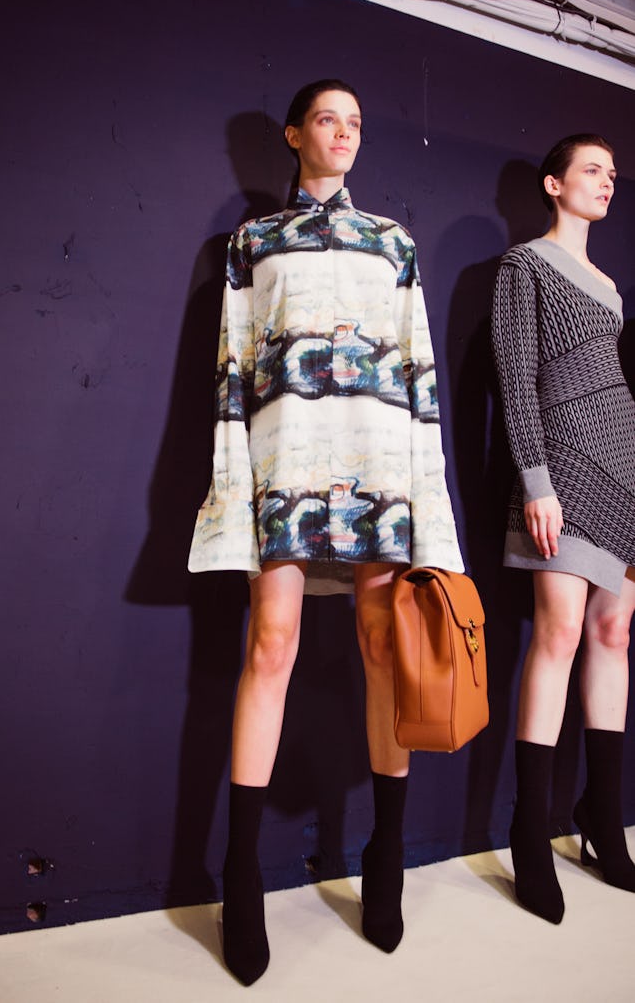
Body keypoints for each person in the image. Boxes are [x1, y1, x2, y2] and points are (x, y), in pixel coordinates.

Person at [188, 79, 463, 983]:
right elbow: (231, 375)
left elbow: (423, 379)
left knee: (383, 651)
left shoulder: (395, 244)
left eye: (355, 122)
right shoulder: (251, 244)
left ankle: (383, 850)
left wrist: (431, 505)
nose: (343, 133)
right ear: (294, 134)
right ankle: (238, 874)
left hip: (380, 467)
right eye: (328, 119)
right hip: (289, 461)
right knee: (270, 647)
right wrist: (235, 487)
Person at [492, 134, 635, 925]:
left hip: (627, 472)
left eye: (613, 173)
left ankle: (602, 821)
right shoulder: (526, 266)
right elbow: (516, 380)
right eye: (592, 169)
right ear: (554, 184)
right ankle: (528, 834)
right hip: (564, 472)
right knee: (558, 635)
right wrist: (535, 483)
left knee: (614, 637)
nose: (606, 181)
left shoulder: (611, 286)